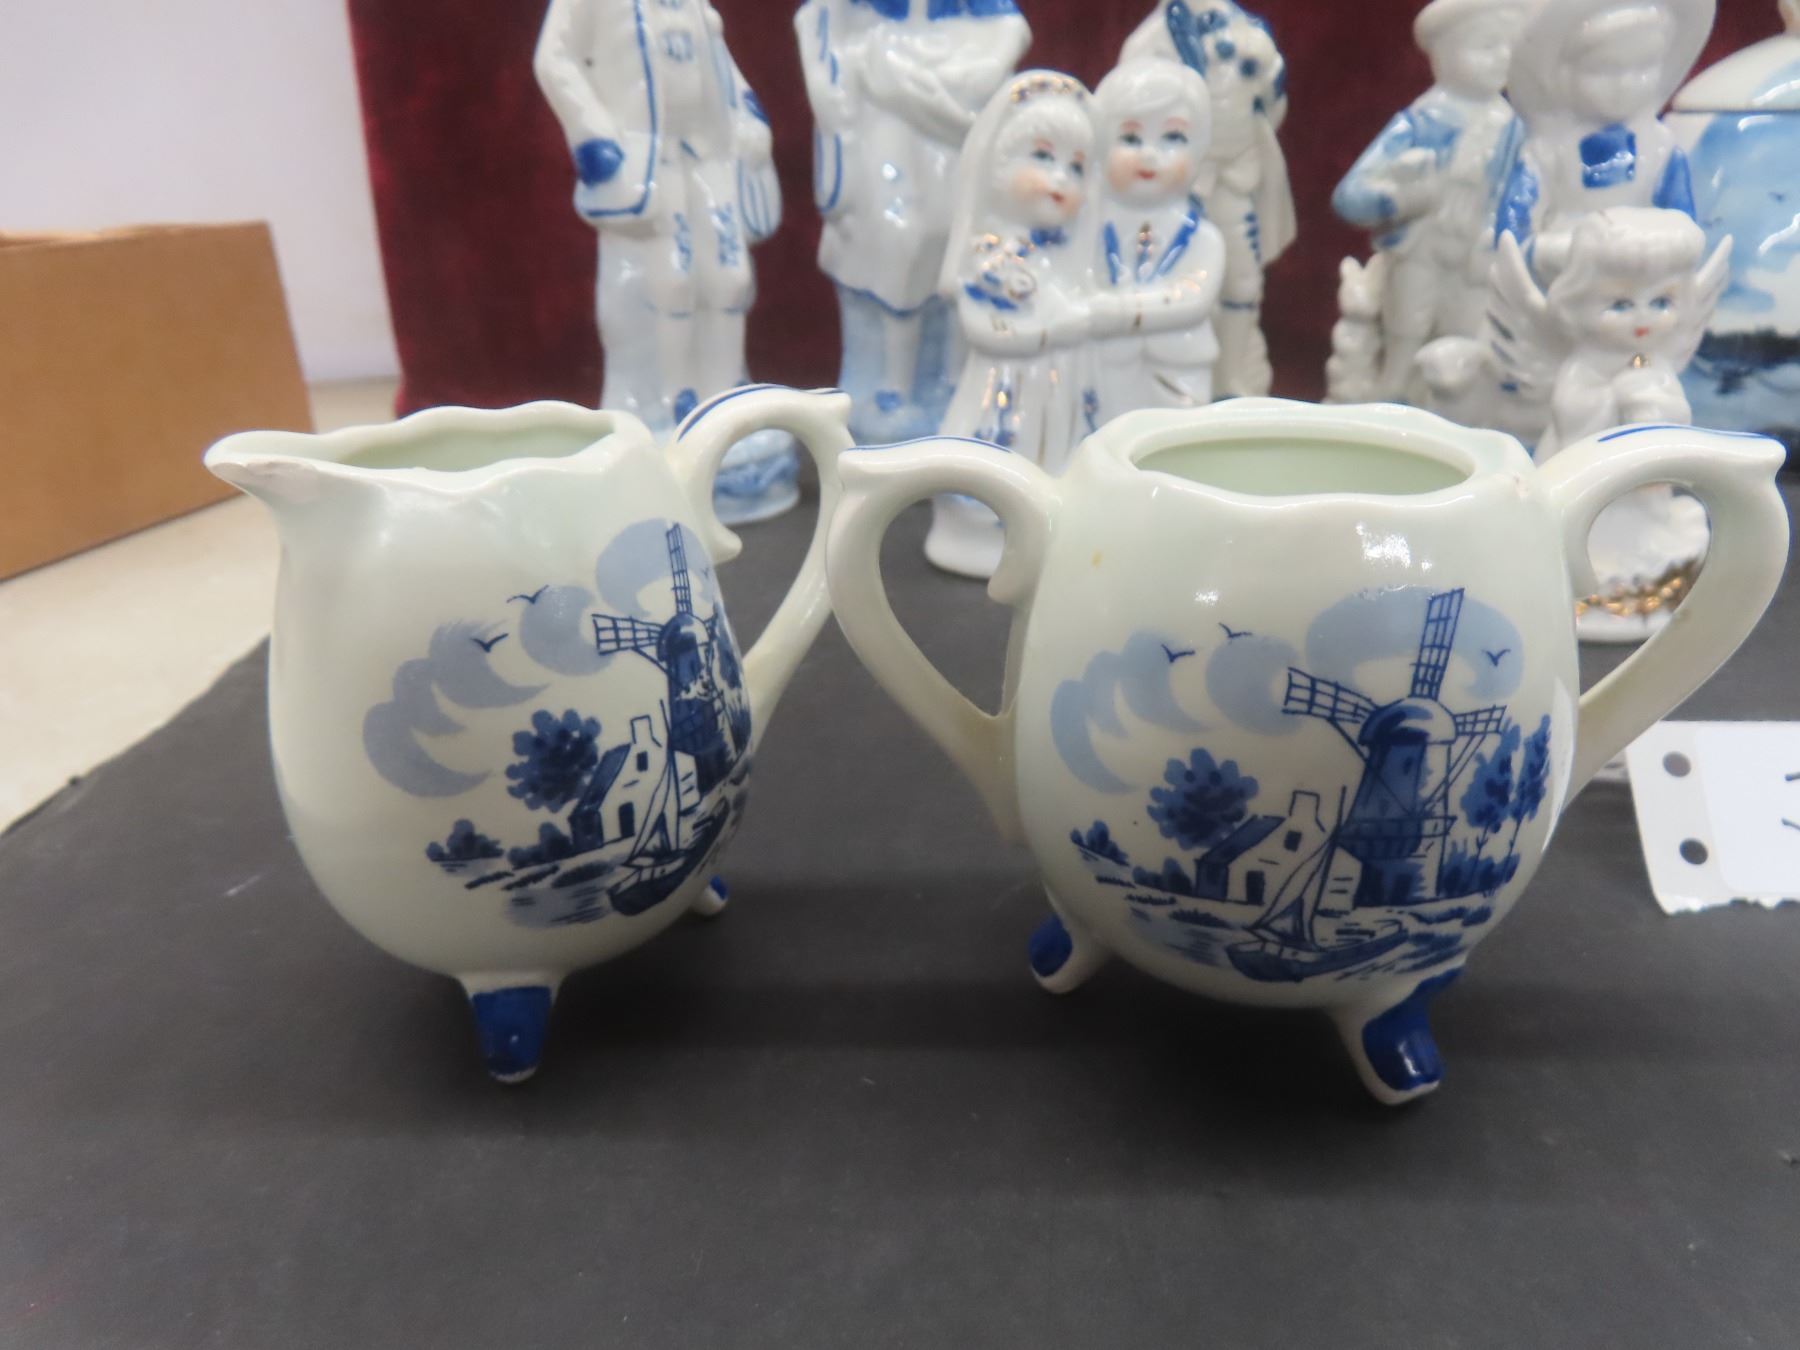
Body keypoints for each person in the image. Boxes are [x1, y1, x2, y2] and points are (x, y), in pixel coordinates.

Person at [534, 0, 796, 523]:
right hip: (647, 157)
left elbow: (720, 61)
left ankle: (726, 392)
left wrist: (749, 117)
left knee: (731, 276)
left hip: (708, 151)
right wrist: (595, 133)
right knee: (673, 277)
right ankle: (676, 398)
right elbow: (554, 59)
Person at [796, 0, 1030, 442]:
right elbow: (828, 60)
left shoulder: (986, 23)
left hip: (958, 131)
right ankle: (891, 384)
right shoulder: (865, 32)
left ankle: (955, 381)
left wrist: (968, 68)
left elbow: (1004, 41)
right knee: (898, 245)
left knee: (961, 244)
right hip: (887, 131)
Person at [1329, 0, 1530, 402]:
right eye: (1486, 45)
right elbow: (1350, 196)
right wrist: (1401, 199)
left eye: (1510, 46)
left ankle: (1452, 414)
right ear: (1444, 54)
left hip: (1476, 259)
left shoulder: (1514, 128)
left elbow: (1524, 193)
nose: (1502, 58)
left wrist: (1501, 233)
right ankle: (1390, 398)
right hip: (1419, 251)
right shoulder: (1421, 122)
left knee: (1465, 342)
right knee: (1407, 332)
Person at [1122, 0, 1296, 397]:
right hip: (1174, 187)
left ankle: (1230, 376)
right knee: (1170, 275)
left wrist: (1264, 77)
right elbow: (1128, 112)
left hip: (1234, 176)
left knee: (1242, 279)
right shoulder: (1151, 41)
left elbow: (1271, 107)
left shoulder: (1251, 32)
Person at [1090, 58, 1228, 418]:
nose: (1149, 154)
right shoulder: (1087, 231)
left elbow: (1191, 300)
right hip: (1103, 370)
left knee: (1173, 439)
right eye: (1131, 138)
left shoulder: (1204, 240)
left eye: (1173, 138)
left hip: (1178, 374)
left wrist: (1118, 310)